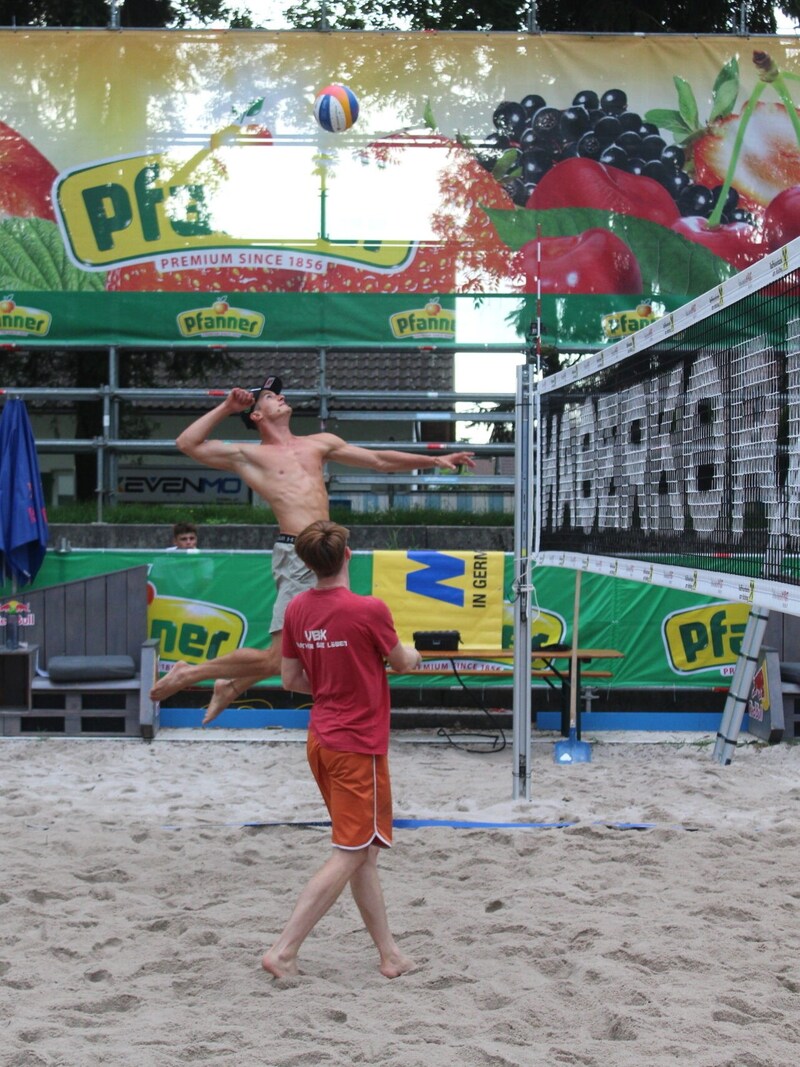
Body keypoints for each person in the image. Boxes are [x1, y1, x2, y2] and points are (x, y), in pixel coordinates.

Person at [150, 374, 474, 722]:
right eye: (271, 397)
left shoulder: (319, 442)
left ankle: (229, 685)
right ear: (256, 416)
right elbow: (187, 442)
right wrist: (228, 407)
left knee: (304, 649)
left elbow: (378, 459)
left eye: (279, 393)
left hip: (331, 552)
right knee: (281, 658)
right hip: (298, 554)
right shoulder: (249, 455)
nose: (281, 397)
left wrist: (433, 460)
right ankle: (191, 674)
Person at [262, 519, 420, 979]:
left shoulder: (296, 610)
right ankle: (284, 950)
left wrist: (335, 680)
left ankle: (389, 955)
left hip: (321, 738)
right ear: (348, 555)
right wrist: (412, 654)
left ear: (307, 563)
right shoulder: (368, 609)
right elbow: (403, 663)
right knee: (350, 851)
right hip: (357, 745)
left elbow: (291, 680)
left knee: (362, 848)